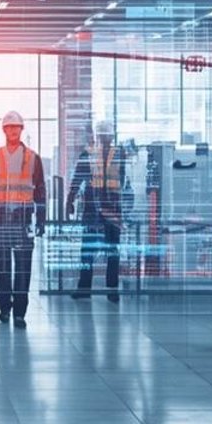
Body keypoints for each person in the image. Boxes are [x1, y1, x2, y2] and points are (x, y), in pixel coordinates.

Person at [0, 111, 48, 327]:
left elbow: (41, 191)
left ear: (21, 130)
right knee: (3, 265)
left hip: (23, 218)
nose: (13, 130)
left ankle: (20, 313)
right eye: (9, 127)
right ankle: (4, 308)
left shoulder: (33, 158)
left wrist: (41, 219)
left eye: (16, 127)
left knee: (23, 266)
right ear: (4, 130)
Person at [67, 120, 128, 302]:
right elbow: (77, 180)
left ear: (111, 136)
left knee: (112, 251)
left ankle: (112, 289)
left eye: (106, 136)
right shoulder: (88, 155)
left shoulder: (119, 155)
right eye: (101, 135)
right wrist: (69, 200)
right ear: (97, 136)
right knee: (87, 250)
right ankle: (84, 288)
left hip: (113, 209)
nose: (104, 139)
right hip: (92, 210)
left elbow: (123, 181)